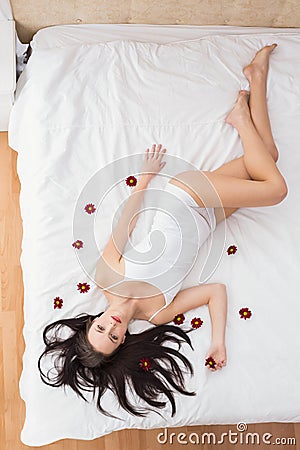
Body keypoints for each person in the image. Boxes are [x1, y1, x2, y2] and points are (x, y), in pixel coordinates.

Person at [38, 44, 287, 418]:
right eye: (114, 337)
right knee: (267, 155)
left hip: (182, 196)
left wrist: (146, 180)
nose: (112, 326)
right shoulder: (158, 314)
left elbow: (126, 225)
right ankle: (254, 82)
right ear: (123, 342)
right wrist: (218, 342)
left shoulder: (108, 278)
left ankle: (242, 113)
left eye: (101, 328)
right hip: (209, 217)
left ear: (92, 321)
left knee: (276, 190)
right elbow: (215, 291)